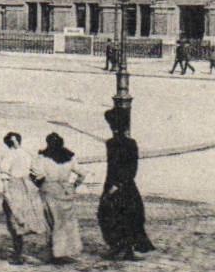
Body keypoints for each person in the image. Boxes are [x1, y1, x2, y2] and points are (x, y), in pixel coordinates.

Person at [98, 107, 155, 260]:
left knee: (114, 216)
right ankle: (123, 248)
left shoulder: (113, 143)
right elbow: (130, 167)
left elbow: (119, 167)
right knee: (127, 217)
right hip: (126, 185)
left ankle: (121, 248)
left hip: (118, 185)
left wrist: (114, 186)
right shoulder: (128, 143)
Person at [31, 132, 85, 262]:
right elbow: (82, 174)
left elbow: (35, 175)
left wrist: (39, 185)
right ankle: (64, 252)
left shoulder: (42, 158)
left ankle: (55, 253)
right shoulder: (69, 157)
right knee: (67, 223)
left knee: (52, 222)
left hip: (49, 189)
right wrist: (74, 185)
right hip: (65, 190)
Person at [0, 132, 45, 265]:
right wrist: (33, 185)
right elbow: (40, 174)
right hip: (25, 187)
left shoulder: (9, 155)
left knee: (15, 221)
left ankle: (18, 254)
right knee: (24, 219)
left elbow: (5, 176)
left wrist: (6, 191)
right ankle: (22, 253)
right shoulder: (26, 154)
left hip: (17, 187)